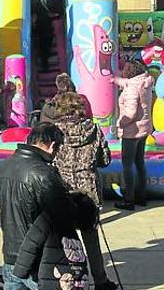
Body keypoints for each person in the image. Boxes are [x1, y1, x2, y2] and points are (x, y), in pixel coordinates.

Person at [0, 122, 78, 290]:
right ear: (52, 146)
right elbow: (64, 215)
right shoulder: (44, 174)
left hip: (10, 254)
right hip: (38, 258)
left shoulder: (3, 167)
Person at [51, 92, 117, 290]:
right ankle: (100, 280)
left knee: (66, 241)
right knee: (91, 239)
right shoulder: (94, 129)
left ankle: (72, 280)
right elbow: (105, 159)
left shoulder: (55, 131)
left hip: (63, 190)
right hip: (88, 191)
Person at [13, 192, 97, 290]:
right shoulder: (74, 236)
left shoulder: (47, 218)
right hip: (78, 281)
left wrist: (20, 271)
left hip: (53, 281)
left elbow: (31, 244)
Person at [112, 59, 154, 210]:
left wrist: (119, 123)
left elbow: (130, 113)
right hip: (143, 129)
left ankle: (128, 199)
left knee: (127, 165)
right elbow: (128, 84)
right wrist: (115, 80)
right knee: (140, 162)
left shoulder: (131, 89)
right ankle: (141, 196)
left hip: (131, 131)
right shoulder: (145, 82)